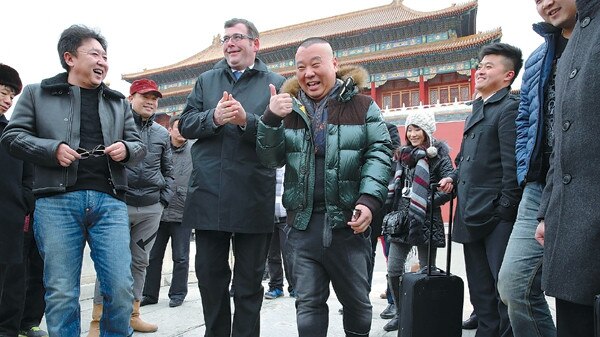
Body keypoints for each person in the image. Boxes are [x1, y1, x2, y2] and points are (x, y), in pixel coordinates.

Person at [1, 25, 146, 337]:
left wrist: (127, 149)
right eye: (94, 54)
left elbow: (139, 147)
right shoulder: (36, 94)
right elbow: (12, 136)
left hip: (110, 202)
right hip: (55, 202)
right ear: (69, 58)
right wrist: (51, 149)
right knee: (62, 292)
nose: (102, 62)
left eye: (105, 56)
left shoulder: (118, 102)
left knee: (120, 288)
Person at [257, 37, 392, 337]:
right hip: (302, 226)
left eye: (316, 64)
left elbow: (380, 152)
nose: (308, 74)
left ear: (335, 64)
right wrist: (269, 119)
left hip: (348, 224)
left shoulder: (362, 105)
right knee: (308, 304)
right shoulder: (287, 110)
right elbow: (270, 159)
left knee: (357, 304)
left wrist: (369, 200)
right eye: (301, 67)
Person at [178, 18, 285, 337]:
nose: (230, 43)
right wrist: (212, 117)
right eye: (226, 38)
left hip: (253, 195)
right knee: (210, 279)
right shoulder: (206, 80)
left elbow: (282, 140)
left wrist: (246, 121)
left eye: (238, 37)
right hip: (209, 194)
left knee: (249, 283)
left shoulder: (275, 82)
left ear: (256, 44)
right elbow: (184, 124)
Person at [498, 1, 576, 336]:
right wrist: (525, 172)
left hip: (585, 179)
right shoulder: (538, 58)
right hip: (540, 185)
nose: (546, 3)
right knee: (514, 284)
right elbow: (527, 121)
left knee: (579, 294)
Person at [439, 42, 523, 337]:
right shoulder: (477, 110)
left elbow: (511, 166)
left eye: (489, 66)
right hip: (470, 212)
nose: (481, 70)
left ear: (508, 75)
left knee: (504, 291)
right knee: (480, 291)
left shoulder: (509, 110)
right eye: (480, 65)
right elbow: (466, 159)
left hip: (496, 216)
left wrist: (504, 209)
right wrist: (453, 177)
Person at [87, 78, 173, 336]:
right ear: (130, 98)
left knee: (139, 262)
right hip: (118, 204)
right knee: (109, 262)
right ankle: (97, 320)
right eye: (145, 96)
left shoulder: (161, 133)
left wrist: (163, 199)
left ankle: (134, 314)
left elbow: (168, 169)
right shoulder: (115, 127)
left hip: (150, 207)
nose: (151, 102)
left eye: (155, 98)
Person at [535, 1, 600, 336]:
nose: (545, 3)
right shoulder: (573, 43)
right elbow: (560, 145)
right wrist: (547, 209)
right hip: (570, 215)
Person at [380, 109, 454, 332]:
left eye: (417, 129)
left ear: (427, 131)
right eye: (410, 129)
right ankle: (402, 313)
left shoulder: (439, 156)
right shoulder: (403, 156)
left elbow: (450, 189)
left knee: (426, 271)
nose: (412, 134)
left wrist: (424, 201)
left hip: (427, 218)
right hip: (402, 219)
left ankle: (424, 313)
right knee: (393, 269)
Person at [0, 65, 47, 337]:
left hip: (11, 215)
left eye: (11, 96)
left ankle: (10, 328)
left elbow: (27, 174)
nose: (8, 100)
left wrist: (24, 200)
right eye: (4, 92)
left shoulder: (12, 133)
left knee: (13, 275)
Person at [141, 114, 193, 308]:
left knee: (180, 257)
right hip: (160, 211)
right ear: (170, 129)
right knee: (153, 256)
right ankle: (149, 294)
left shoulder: (195, 149)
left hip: (183, 213)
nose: (182, 131)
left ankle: (178, 293)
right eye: (179, 127)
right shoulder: (160, 148)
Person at [264, 166, 295, 300]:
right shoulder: (267, 165)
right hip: (268, 216)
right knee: (272, 255)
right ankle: (275, 286)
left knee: (290, 255)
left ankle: (295, 287)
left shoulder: (291, 165)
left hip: (286, 216)